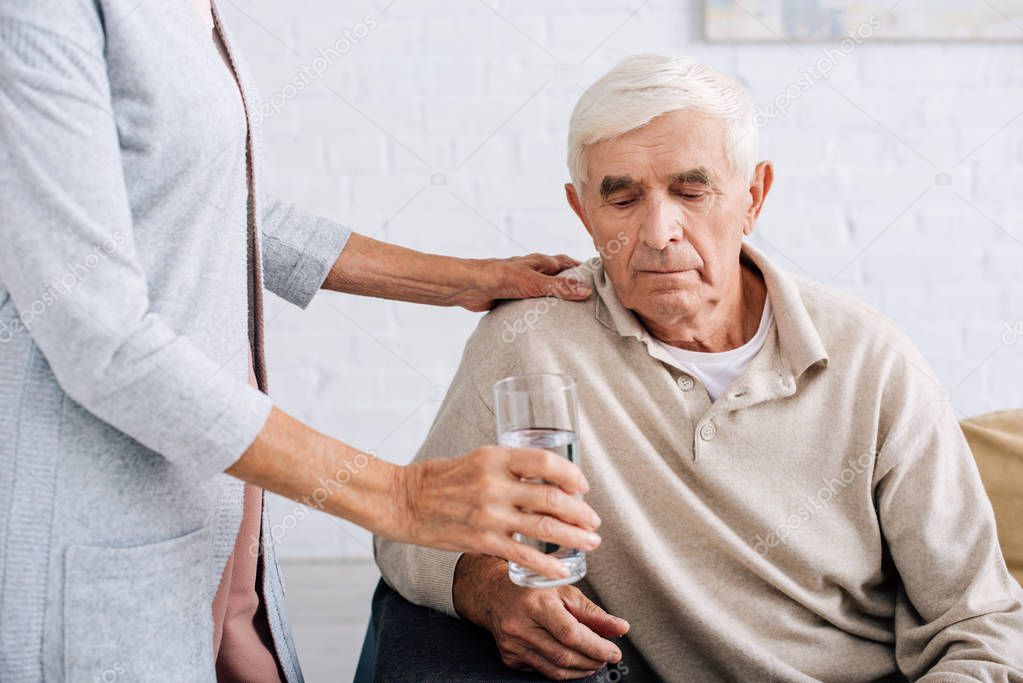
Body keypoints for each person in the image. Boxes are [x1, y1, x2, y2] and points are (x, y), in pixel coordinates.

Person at [0, 1, 603, 681]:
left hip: (208, 498)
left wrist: (461, 280)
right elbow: (98, 335)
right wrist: (399, 495)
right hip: (91, 509)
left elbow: (211, 197)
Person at [374, 54, 1023, 681]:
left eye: (691, 190)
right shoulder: (530, 339)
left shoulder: (872, 362)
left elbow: (980, 626)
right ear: (582, 212)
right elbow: (408, 530)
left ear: (753, 196)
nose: (658, 232)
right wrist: (482, 583)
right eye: (622, 199)